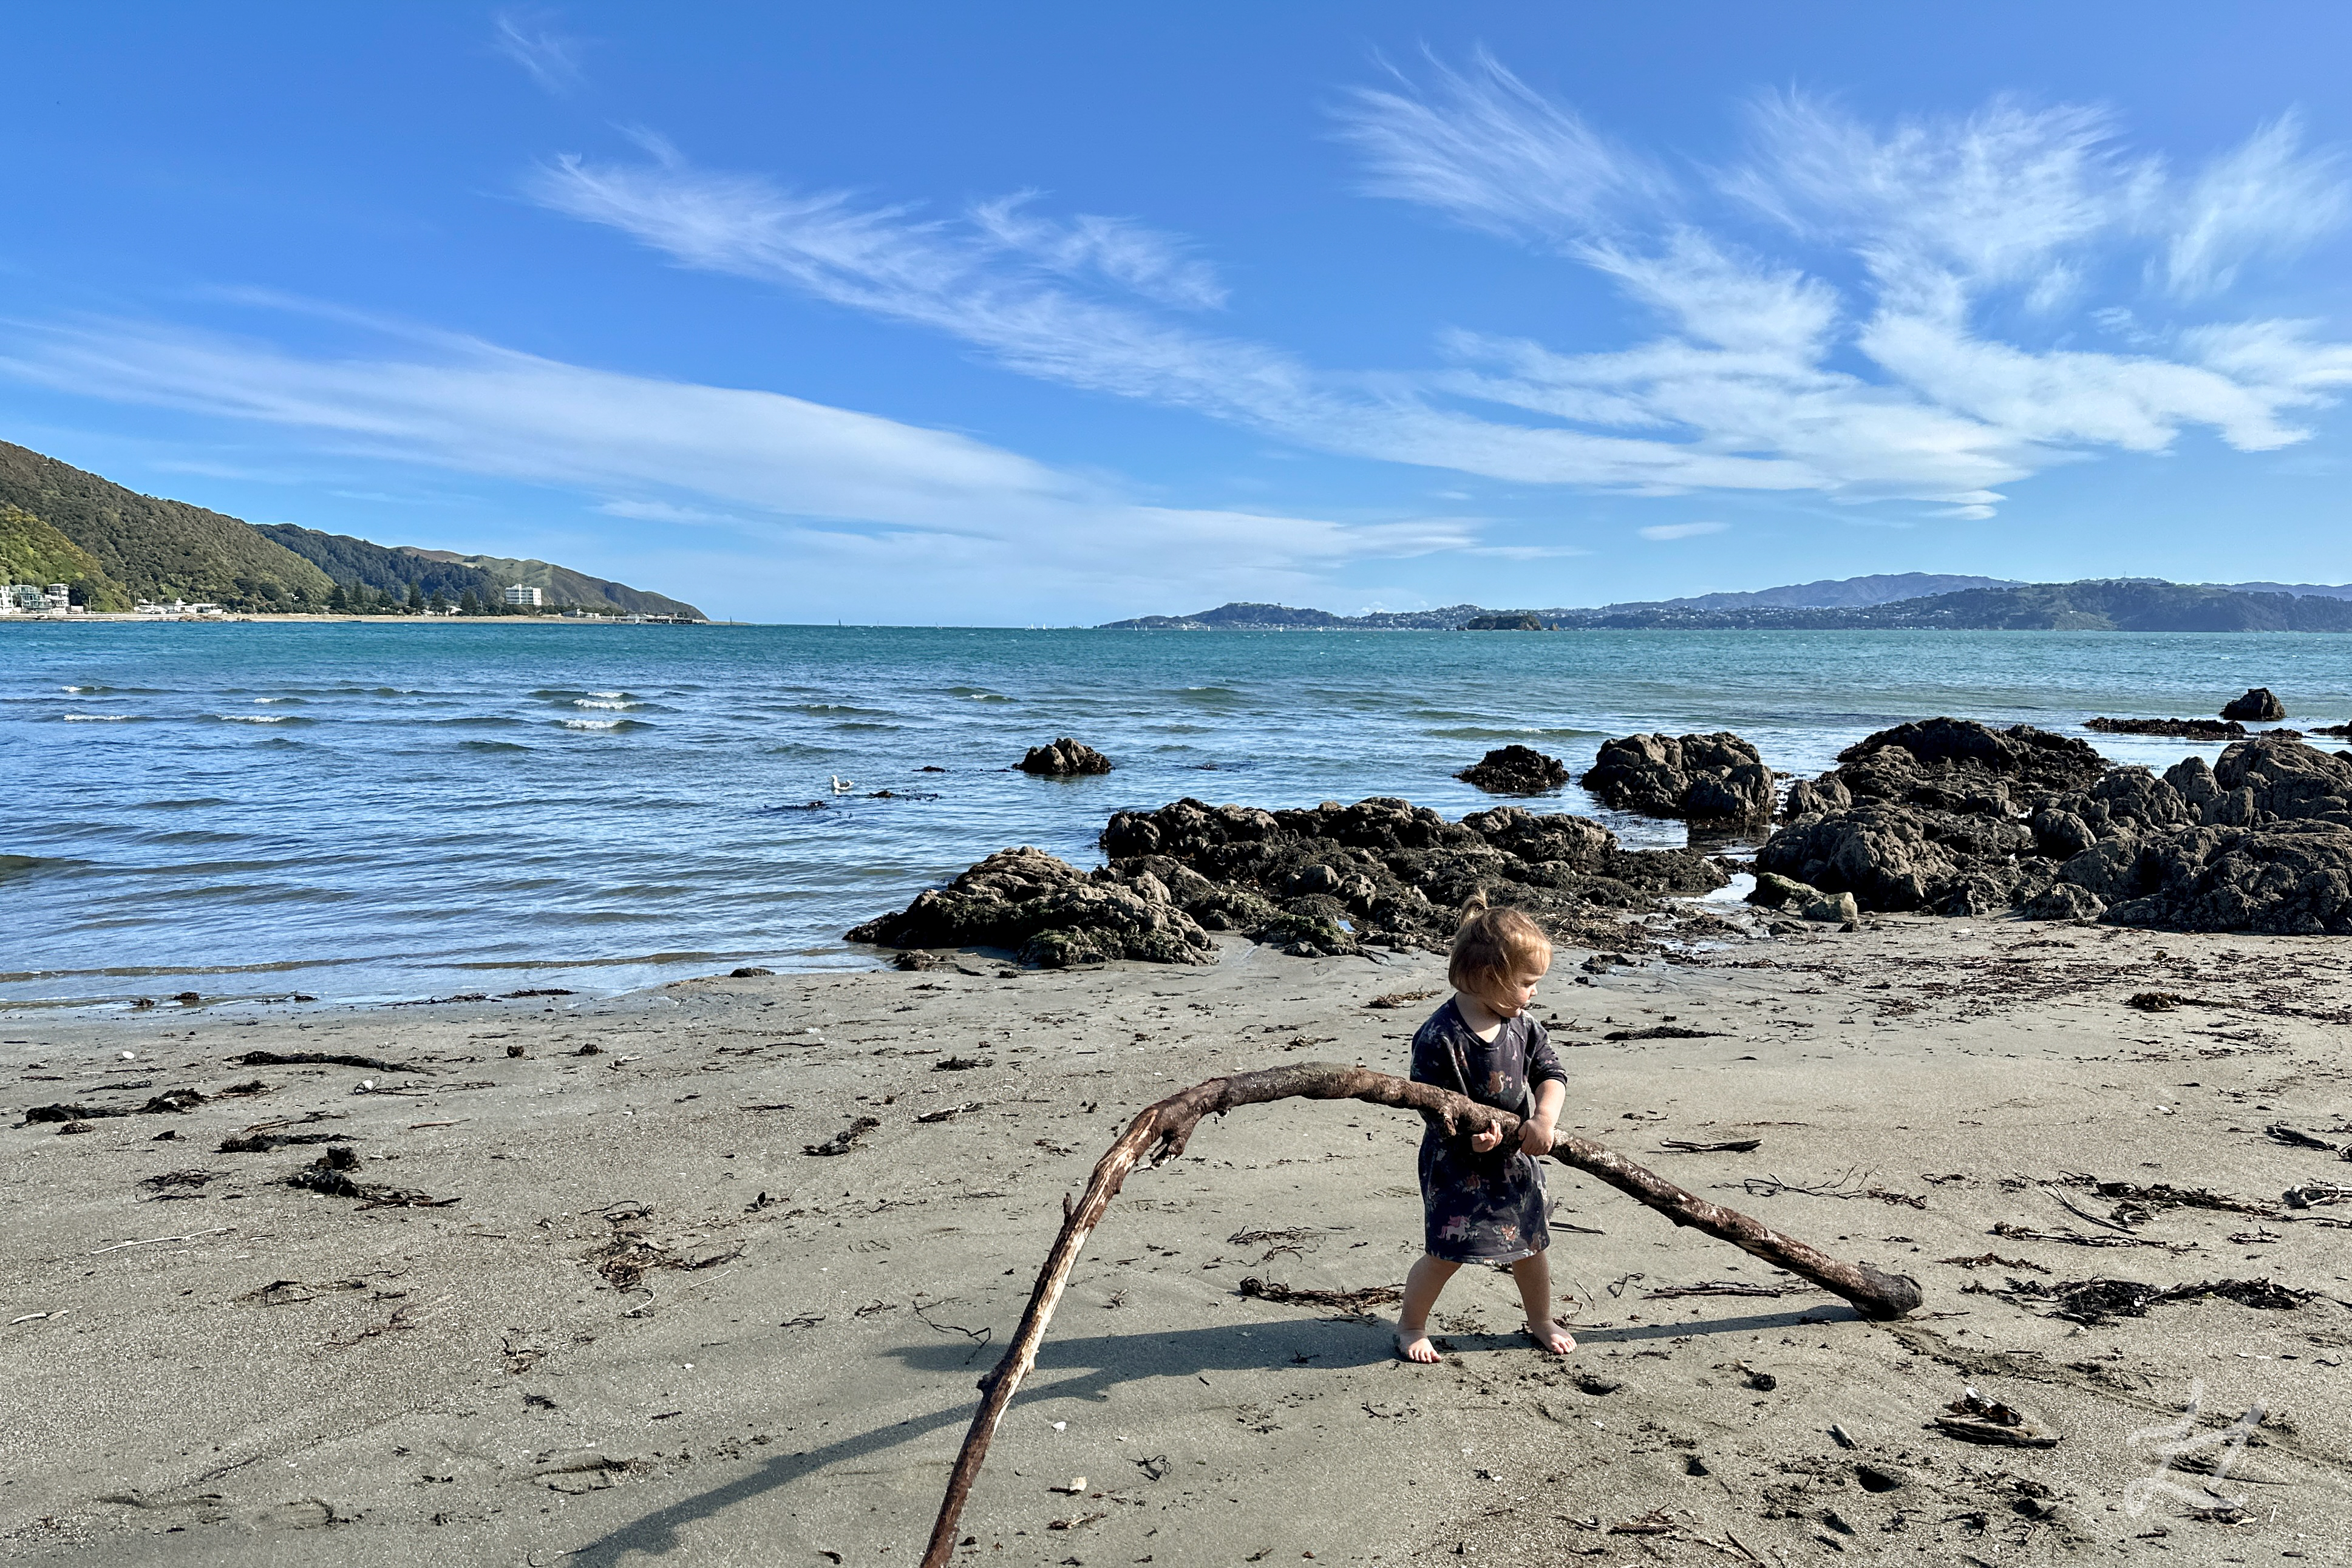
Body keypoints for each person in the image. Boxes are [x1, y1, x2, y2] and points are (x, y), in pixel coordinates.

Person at [1395, 894, 1573, 1363]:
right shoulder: (1440, 1035)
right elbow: (1431, 1104)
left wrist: (1544, 1118)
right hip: (1457, 1166)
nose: (1533, 992)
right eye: (1526, 983)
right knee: (1446, 1253)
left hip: (1515, 1161)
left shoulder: (1524, 1027)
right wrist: (1470, 1138)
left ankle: (1540, 1318)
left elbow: (1551, 1074)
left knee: (1530, 1246)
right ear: (1490, 976)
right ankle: (1411, 1324)